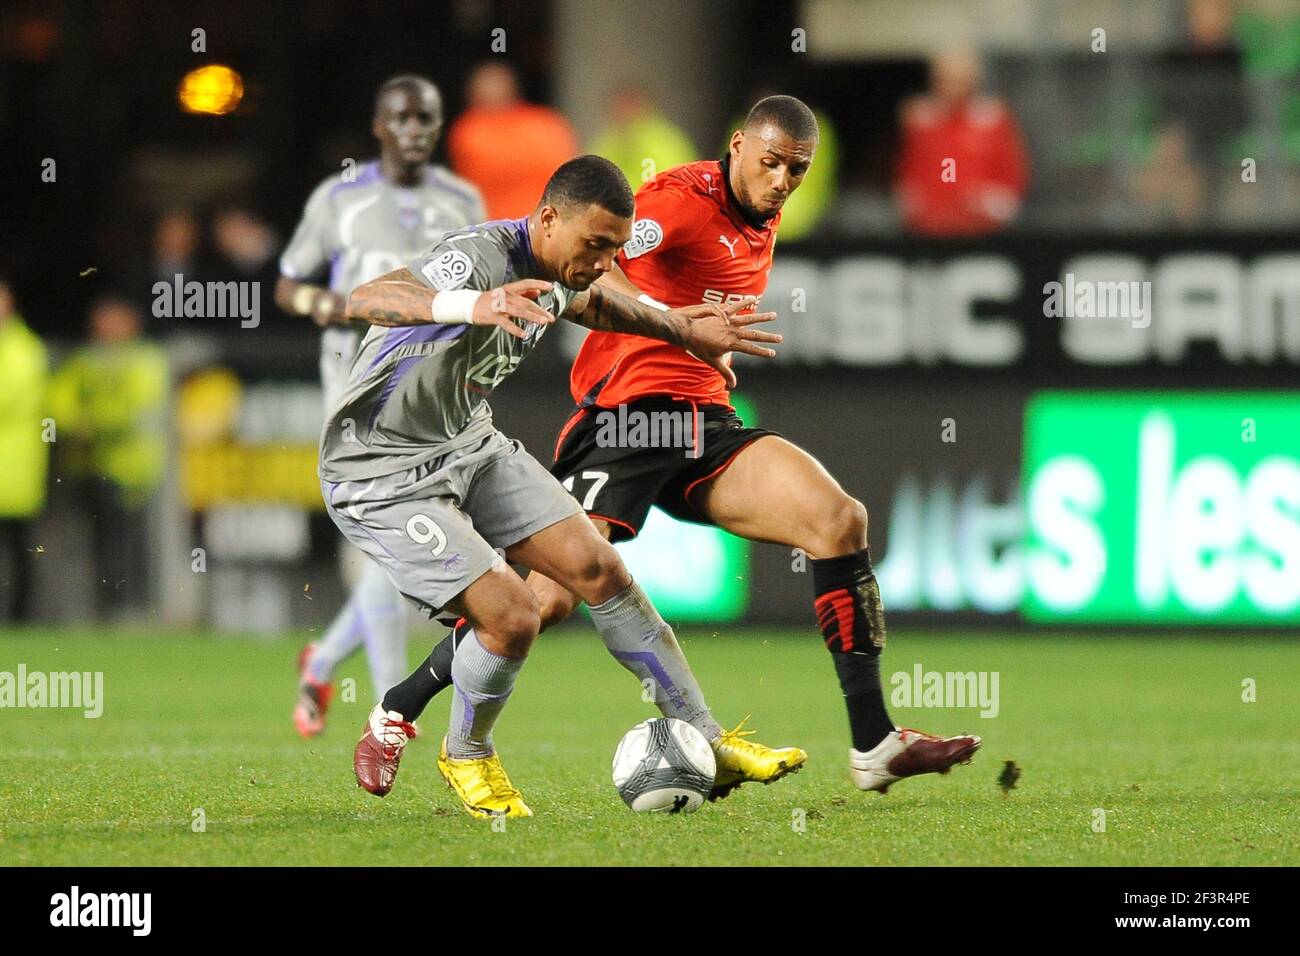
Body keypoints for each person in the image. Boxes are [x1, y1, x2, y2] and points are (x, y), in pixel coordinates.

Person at [379, 96, 981, 798]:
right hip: (626, 420)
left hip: (704, 425)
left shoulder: (763, 212)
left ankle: (875, 742)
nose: (784, 179)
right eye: (771, 162)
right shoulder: (680, 199)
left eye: (797, 168)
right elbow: (598, 264)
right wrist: (676, 324)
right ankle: (401, 702)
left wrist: (704, 349)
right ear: (735, 147)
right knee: (544, 601)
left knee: (837, 520)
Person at [324, 155, 801, 818]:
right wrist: (471, 303)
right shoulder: (480, 259)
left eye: (614, 247)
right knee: (513, 616)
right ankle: (466, 753)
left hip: (468, 442)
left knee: (598, 569)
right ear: (547, 219)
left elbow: (595, 303)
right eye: (596, 245)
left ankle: (709, 740)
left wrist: (686, 330)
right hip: (381, 472)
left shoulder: (556, 268)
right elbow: (366, 298)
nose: (605, 260)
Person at [276, 75, 487, 737]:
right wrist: (322, 304)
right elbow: (287, 282)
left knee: (396, 559)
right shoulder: (340, 198)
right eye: (402, 117)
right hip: (355, 393)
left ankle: (332, 667)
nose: (415, 129)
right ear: (378, 125)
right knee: (388, 556)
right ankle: (387, 708)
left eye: (427, 117)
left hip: (431, 395)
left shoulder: (461, 199)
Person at [47, 296, 168, 621]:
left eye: (111, 320)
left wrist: (93, 425)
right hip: (92, 467)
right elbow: (59, 400)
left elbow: (140, 407)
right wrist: (74, 424)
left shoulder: (145, 359)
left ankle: (134, 609)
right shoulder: (86, 359)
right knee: (98, 542)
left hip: (133, 470)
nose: (104, 329)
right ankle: (104, 607)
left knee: (133, 543)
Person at [895, 49, 1029, 236]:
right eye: (946, 79)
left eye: (960, 80)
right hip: (929, 230)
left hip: (985, 231)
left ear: (974, 80)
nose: (953, 87)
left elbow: (1013, 178)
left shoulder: (994, 118)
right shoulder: (920, 122)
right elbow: (909, 176)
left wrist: (981, 200)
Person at [445, 62, 578, 219]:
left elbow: (569, 169)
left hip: (546, 222)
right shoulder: (468, 129)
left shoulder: (545, 122)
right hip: (498, 227)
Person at [0, 280, 49, 623]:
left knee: (20, 550)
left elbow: (10, 398)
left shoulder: (25, 348)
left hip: (14, 471)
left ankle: (22, 619)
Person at [588, 85, 695, 191]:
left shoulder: (662, 143)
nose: (622, 114)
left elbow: (664, 186)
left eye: (627, 107)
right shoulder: (609, 141)